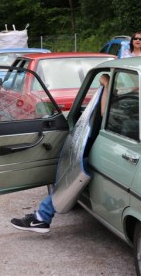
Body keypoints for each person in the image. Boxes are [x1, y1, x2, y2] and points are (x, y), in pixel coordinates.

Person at [10, 73, 109, 234]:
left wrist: (106, 84)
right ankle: (42, 215)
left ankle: (41, 217)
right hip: (107, 146)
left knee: (69, 176)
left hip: (104, 147)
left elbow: (104, 112)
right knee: (72, 174)